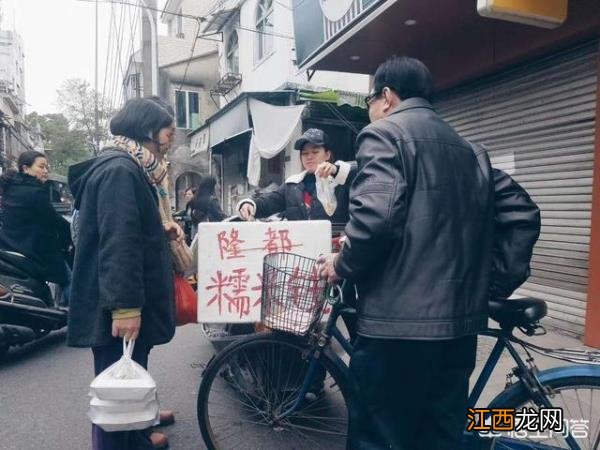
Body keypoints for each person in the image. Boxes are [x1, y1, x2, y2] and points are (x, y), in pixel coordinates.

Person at [317, 56, 540, 449]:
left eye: (371, 99)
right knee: (439, 436)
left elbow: (376, 221)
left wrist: (341, 264)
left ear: (386, 96)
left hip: (394, 330)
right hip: (457, 329)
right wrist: (489, 286)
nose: (371, 108)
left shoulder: (382, 134)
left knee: (381, 437)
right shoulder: (471, 151)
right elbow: (522, 214)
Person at [67, 98, 181, 450]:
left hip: (120, 294)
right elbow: (118, 241)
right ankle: (120, 442)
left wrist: (158, 231)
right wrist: (126, 307)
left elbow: (125, 228)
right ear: (148, 131)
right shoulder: (120, 170)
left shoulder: (131, 167)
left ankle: (136, 432)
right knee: (114, 388)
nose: (171, 139)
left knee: (127, 373)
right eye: (168, 131)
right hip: (115, 299)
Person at [238, 128, 354, 223]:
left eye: (315, 152)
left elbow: (364, 171)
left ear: (327, 154)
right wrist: (250, 204)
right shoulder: (292, 185)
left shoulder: (341, 180)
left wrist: (337, 169)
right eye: (304, 153)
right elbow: (269, 202)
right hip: (300, 248)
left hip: (334, 248)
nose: (309, 157)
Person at [0, 151, 72, 305]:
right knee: (69, 279)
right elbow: (54, 220)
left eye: (47, 167)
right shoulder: (35, 192)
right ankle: (77, 319)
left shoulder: (11, 188)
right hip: (32, 249)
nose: (45, 171)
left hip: (9, 245)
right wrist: (71, 232)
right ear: (25, 168)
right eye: (41, 167)